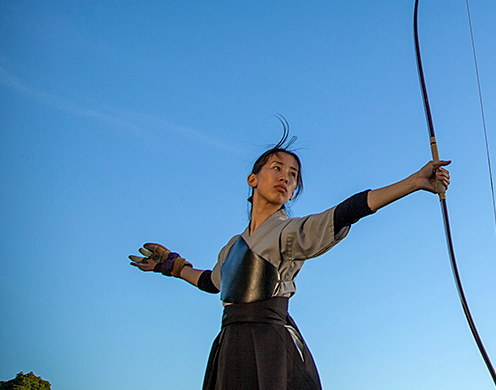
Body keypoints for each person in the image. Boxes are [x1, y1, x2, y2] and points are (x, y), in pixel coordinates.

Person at [129, 127, 450, 390]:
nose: (285, 177)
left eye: (293, 175)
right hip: (231, 348)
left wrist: (414, 182)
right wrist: (170, 266)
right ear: (253, 179)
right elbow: (211, 282)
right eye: (277, 168)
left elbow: (345, 212)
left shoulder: (289, 233)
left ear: (294, 190)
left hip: (270, 350)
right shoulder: (231, 247)